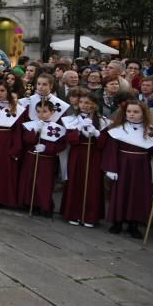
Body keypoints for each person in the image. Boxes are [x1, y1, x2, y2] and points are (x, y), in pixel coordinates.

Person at [102, 100, 153, 238]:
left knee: (138, 195)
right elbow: (111, 150)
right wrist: (111, 168)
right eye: (129, 111)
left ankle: (133, 225)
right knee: (120, 193)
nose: (131, 114)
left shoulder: (150, 130)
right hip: (122, 166)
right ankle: (117, 222)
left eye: (136, 112)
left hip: (141, 168)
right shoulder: (117, 129)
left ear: (143, 113)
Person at [60, 92, 108, 227]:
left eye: (87, 103)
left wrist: (96, 133)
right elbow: (70, 139)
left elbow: (104, 143)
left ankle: (90, 216)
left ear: (94, 104)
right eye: (81, 102)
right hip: (78, 153)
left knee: (92, 183)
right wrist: (78, 129)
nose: (84, 106)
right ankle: (74, 213)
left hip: (93, 154)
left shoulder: (102, 121)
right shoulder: (71, 119)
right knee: (76, 180)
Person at [17, 101, 66, 217]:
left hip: (46, 160)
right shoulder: (32, 125)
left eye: (44, 111)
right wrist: (35, 132)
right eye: (38, 111)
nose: (41, 114)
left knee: (44, 183)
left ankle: (43, 205)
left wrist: (47, 147)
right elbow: (27, 140)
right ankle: (30, 204)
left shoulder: (58, 129)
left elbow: (61, 145)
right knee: (30, 181)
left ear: (52, 112)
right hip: (32, 157)